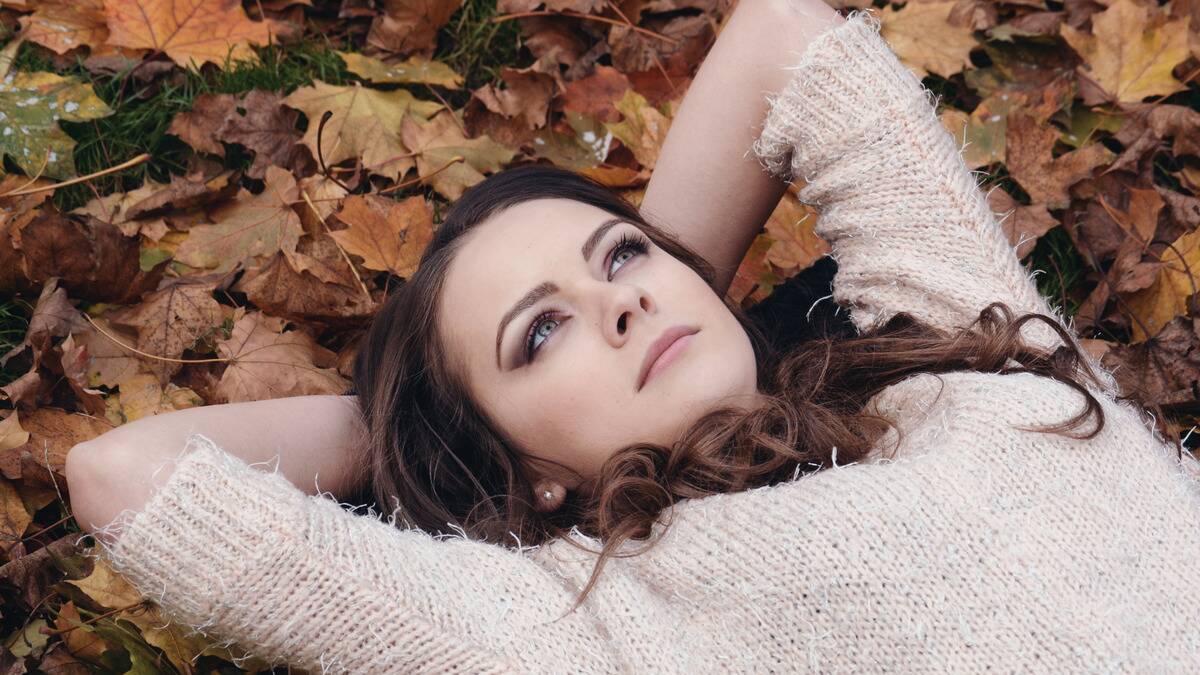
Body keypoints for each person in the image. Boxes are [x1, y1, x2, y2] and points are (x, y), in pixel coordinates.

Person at [65, 1, 1200, 672]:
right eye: (539, 333)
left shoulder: (946, 349)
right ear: (522, 473)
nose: (621, 300)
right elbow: (126, 476)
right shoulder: (574, 619)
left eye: (621, 260)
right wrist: (416, 433)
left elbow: (780, 33)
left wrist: (667, 282)